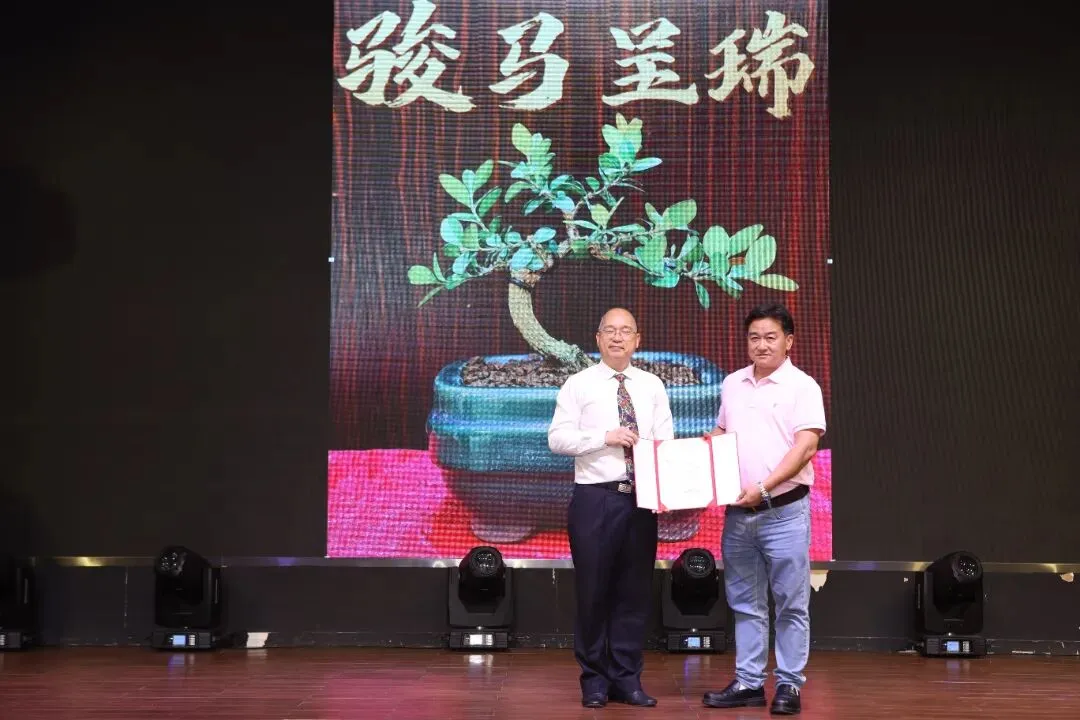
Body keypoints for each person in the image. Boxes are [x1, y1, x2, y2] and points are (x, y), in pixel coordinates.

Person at [702, 302, 826, 716]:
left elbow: (806, 447)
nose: (761, 345)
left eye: (771, 337)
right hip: (739, 516)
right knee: (745, 604)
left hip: (785, 512)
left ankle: (788, 684)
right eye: (754, 337)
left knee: (791, 604)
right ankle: (749, 682)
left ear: (789, 342)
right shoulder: (732, 383)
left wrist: (764, 487)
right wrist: (697, 453)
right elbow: (722, 432)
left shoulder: (803, 386)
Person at [548, 307, 674, 709]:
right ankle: (594, 680)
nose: (618, 337)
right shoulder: (578, 384)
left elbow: (665, 443)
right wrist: (605, 437)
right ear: (598, 339)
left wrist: (668, 486)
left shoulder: (652, 385)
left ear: (638, 339)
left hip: (641, 498)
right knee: (593, 591)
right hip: (596, 498)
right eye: (610, 331)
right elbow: (557, 439)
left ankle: (627, 679)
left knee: (633, 593)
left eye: (626, 331)